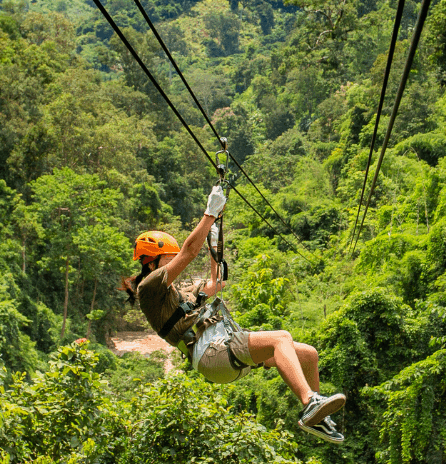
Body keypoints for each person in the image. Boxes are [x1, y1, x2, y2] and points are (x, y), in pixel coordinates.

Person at [119, 184, 346, 443]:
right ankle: (309, 402)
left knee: (307, 355)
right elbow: (189, 252)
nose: (174, 265)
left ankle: (319, 419)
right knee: (281, 338)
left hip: (221, 350)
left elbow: (217, 284)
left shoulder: (179, 289)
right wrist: (210, 213)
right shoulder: (149, 289)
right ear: (151, 262)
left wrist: (213, 247)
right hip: (212, 352)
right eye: (168, 260)